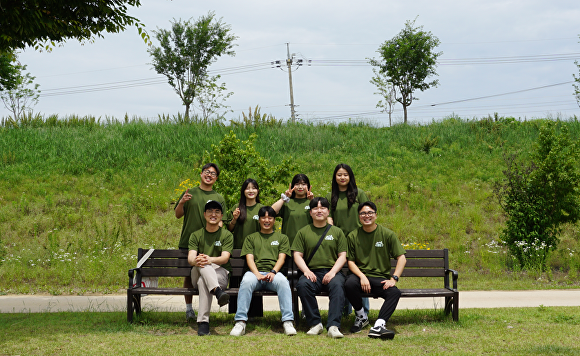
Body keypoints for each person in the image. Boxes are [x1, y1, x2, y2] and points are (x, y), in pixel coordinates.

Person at [230, 206, 297, 336]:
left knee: (283, 281)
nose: (267, 220)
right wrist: (257, 274)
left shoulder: (282, 238)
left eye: (270, 217)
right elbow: (250, 258)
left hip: (274, 274)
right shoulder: (251, 238)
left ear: (274, 220)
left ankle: (288, 321)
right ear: (259, 220)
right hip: (255, 273)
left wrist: (273, 272)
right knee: (246, 281)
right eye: (263, 217)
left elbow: (282, 258)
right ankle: (240, 322)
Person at [345, 201, 406, 339]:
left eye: (370, 213)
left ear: (376, 215)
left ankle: (379, 325)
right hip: (360, 277)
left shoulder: (387, 234)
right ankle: (361, 316)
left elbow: (402, 258)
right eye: (363, 213)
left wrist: (394, 278)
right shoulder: (353, 235)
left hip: (379, 277)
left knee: (394, 293)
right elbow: (351, 262)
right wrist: (362, 276)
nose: (367, 216)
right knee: (349, 284)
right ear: (359, 216)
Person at [175, 163, 227, 321]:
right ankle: (189, 309)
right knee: (188, 276)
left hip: (209, 242)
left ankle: (205, 309)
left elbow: (220, 221)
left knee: (207, 267)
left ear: (216, 178)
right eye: (207, 172)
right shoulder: (189, 193)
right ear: (201, 174)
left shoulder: (218, 197)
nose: (209, 175)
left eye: (213, 173)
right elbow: (177, 214)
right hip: (188, 241)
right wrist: (182, 201)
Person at [292, 197, 347, 339]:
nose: (319, 211)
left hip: (332, 272)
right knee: (303, 285)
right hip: (312, 273)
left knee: (338, 287)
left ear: (328, 211)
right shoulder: (303, 232)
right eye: (315, 208)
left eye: (322, 208)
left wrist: (333, 272)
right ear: (310, 212)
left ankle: (334, 326)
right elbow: (297, 254)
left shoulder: (337, 232)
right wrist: (306, 271)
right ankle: (315, 323)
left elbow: (342, 256)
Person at [326, 163, 370, 315]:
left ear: (350, 176)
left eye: (345, 174)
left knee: (358, 274)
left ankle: (364, 311)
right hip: (339, 242)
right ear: (335, 177)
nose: (342, 177)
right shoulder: (331, 196)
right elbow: (328, 218)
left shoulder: (360, 194)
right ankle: (345, 310)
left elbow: (367, 215)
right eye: (339, 175)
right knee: (342, 275)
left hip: (358, 240)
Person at [188, 200, 233, 336]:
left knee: (203, 281)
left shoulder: (226, 235)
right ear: (204, 214)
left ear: (221, 215)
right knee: (202, 266)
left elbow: (225, 258)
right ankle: (218, 292)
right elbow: (190, 259)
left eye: (217, 212)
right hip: (197, 270)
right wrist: (199, 260)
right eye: (210, 211)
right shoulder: (196, 235)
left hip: (220, 273)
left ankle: (203, 323)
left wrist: (209, 259)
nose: (213, 214)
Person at [272, 173, 314, 246]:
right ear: (292, 186)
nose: (300, 187)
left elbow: (322, 217)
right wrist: (284, 198)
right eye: (297, 184)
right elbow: (271, 212)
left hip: (308, 245)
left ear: (308, 186)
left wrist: (312, 201)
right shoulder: (287, 203)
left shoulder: (311, 203)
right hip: (288, 245)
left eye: (303, 184)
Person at [227, 178, 263, 249]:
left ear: (258, 191)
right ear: (243, 191)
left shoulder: (262, 209)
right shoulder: (236, 207)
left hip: (258, 248)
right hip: (239, 248)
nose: (251, 191)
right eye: (247, 188)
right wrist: (234, 219)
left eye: (253, 188)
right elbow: (229, 229)